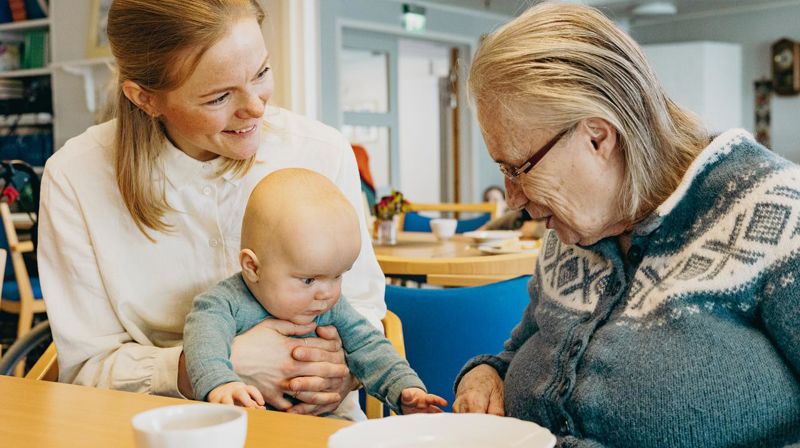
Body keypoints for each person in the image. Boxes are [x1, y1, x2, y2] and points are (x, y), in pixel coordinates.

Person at [453, 3, 800, 447]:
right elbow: (525, 346)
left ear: (598, 137)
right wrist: (490, 373)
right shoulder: (577, 226)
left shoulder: (775, 213)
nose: (514, 198)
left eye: (519, 168)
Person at [37, 0, 386, 420]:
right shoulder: (75, 177)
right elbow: (86, 368)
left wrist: (339, 373)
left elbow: (364, 308)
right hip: (158, 426)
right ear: (145, 98)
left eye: (261, 73)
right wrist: (202, 367)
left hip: (313, 424)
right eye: (219, 96)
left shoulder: (321, 151)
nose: (256, 108)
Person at [184, 168, 446, 416]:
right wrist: (220, 384)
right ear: (253, 267)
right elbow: (204, 344)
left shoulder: (332, 307)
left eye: (337, 276)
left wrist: (404, 387)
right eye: (308, 280)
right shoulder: (223, 303)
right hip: (247, 424)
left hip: (318, 424)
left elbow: (369, 346)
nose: (326, 294)